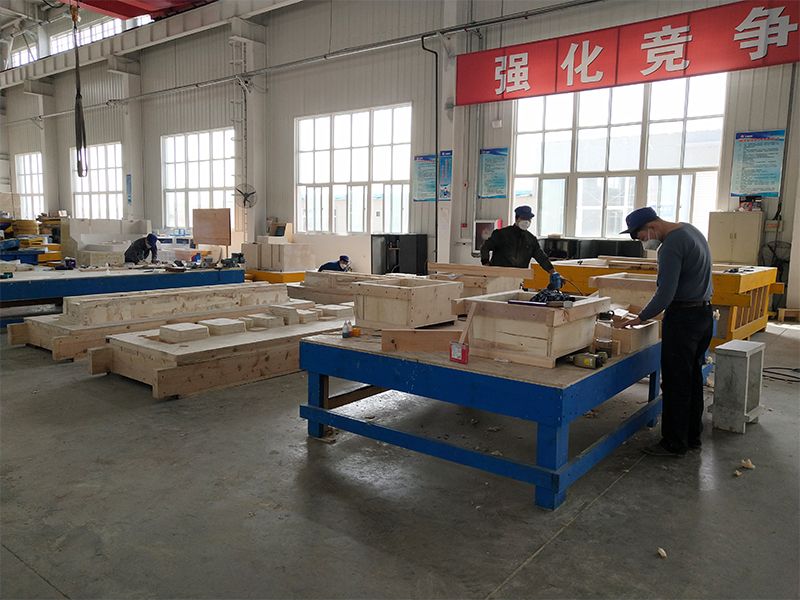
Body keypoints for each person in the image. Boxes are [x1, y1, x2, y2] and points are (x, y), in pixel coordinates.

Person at [615, 206, 713, 457]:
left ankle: (674, 443)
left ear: (652, 227)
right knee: (692, 378)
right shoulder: (691, 230)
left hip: (683, 320)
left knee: (676, 382)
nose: (643, 243)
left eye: (641, 237)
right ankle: (692, 436)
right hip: (704, 314)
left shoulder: (669, 246)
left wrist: (639, 318)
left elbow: (665, 293)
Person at [480, 205, 557, 277]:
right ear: (516, 219)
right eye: (523, 218)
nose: (526, 221)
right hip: (498, 276)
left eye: (529, 219)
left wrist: (553, 272)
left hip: (519, 277)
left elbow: (541, 257)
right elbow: (485, 247)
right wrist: (486, 265)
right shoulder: (501, 234)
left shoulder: (531, 239)